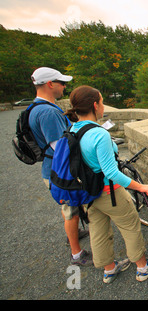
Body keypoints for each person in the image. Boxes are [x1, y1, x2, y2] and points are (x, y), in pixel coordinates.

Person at [65, 85, 148, 283]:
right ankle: (143, 268)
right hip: (108, 192)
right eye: (101, 102)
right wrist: (141, 187)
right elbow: (111, 172)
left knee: (98, 231)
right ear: (95, 105)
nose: (103, 106)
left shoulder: (73, 128)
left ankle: (109, 269)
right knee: (130, 226)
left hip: (88, 193)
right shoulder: (99, 134)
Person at [29, 67, 92, 266]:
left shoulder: (39, 107)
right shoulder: (48, 112)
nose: (64, 87)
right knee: (71, 212)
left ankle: (74, 234)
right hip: (60, 172)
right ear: (50, 84)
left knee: (69, 209)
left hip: (53, 170)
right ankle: (77, 254)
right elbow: (60, 147)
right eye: (61, 83)